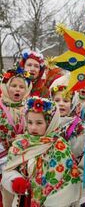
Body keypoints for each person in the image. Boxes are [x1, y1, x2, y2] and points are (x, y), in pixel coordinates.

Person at [1, 97, 81, 206]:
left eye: (39, 123)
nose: (33, 127)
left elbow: (66, 181)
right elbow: (9, 169)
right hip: (23, 200)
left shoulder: (59, 146)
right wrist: (14, 180)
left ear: (50, 123)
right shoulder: (20, 144)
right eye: (29, 122)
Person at [0, 68, 31, 206]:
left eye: (21, 87)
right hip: (3, 160)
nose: (17, 90)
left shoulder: (30, 108)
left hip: (25, 159)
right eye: (13, 86)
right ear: (6, 87)